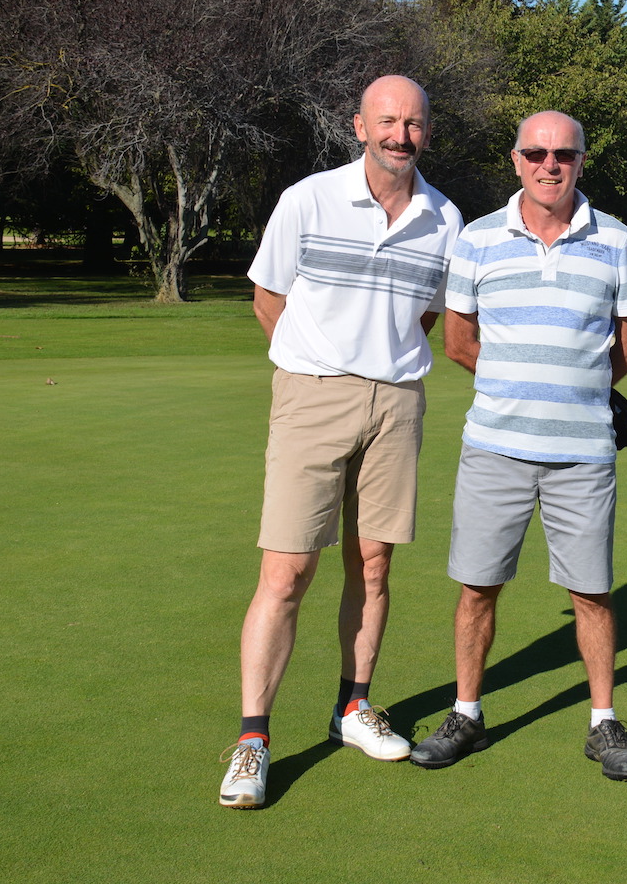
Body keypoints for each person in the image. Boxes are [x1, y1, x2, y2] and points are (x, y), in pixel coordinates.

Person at [219, 75, 464, 809]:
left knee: (374, 563)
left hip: (396, 401)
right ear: (358, 126)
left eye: (413, 123)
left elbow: (424, 317)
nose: (400, 135)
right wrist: (315, 369)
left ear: (426, 130)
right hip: (312, 393)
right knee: (288, 571)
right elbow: (269, 299)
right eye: (387, 121)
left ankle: (352, 707)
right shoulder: (308, 199)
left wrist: (375, 370)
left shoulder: (444, 217)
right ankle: (253, 740)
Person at [410, 111, 627, 780]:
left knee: (592, 592)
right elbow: (458, 340)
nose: (551, 164)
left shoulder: (615, 240)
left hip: (583, 452)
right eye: (537, 153)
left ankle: (603, 723)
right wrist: (520, 385)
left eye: (565, 154)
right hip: (495, 447)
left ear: (580, 161)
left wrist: (578, 387)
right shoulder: (480, 239)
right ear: (516, 160)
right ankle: (467, 712)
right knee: (478, 587)